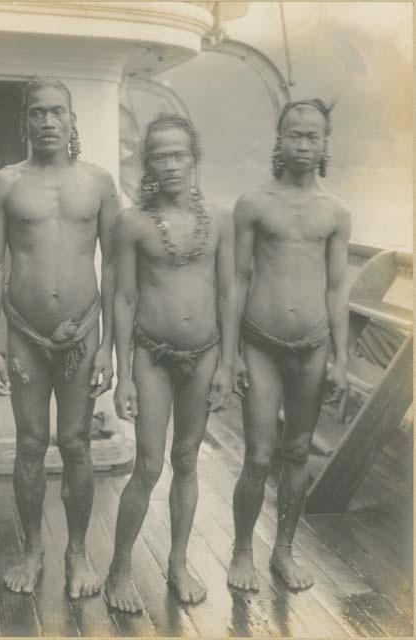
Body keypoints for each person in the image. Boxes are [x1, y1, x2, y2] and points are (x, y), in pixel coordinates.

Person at [0, 76, 118, 598]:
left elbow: (118, 268)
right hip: (25, 333)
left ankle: (77, 554)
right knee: (31, 443)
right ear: (26, 121)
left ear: (72, 119)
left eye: (58, 111)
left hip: (83, 332)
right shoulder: (5, 183)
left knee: (77, 443)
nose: (48, 121)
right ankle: (32, 549)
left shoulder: (99, 183)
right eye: (38, 112)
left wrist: (108, 345)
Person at [104, 113, 237, 612]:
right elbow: (122, 300)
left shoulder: (220, 220)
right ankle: (120, 567)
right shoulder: (132, 222)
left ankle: (178, 564)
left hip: (204, 355)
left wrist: (226, 364)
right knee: (148, 462)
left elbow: (227, 293)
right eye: (160, 155)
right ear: (148, 163)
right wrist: (122, 376)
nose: (171, 164)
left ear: (194, 158)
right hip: (152, 355)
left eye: (179, 154)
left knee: (186, 459)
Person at [228, 99, 350, 592]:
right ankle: (241, 552)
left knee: (297, 452)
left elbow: (337, 288)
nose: (303, 143)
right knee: (259, 457)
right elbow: (236, 279)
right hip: (261, 345)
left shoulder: (335, 212)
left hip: (314, 345)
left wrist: (342, 358)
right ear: (279, 139)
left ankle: (283, 551)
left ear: (325, 144)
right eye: (294, 134)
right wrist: (230, 353)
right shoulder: (254, 203)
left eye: (313, 136)